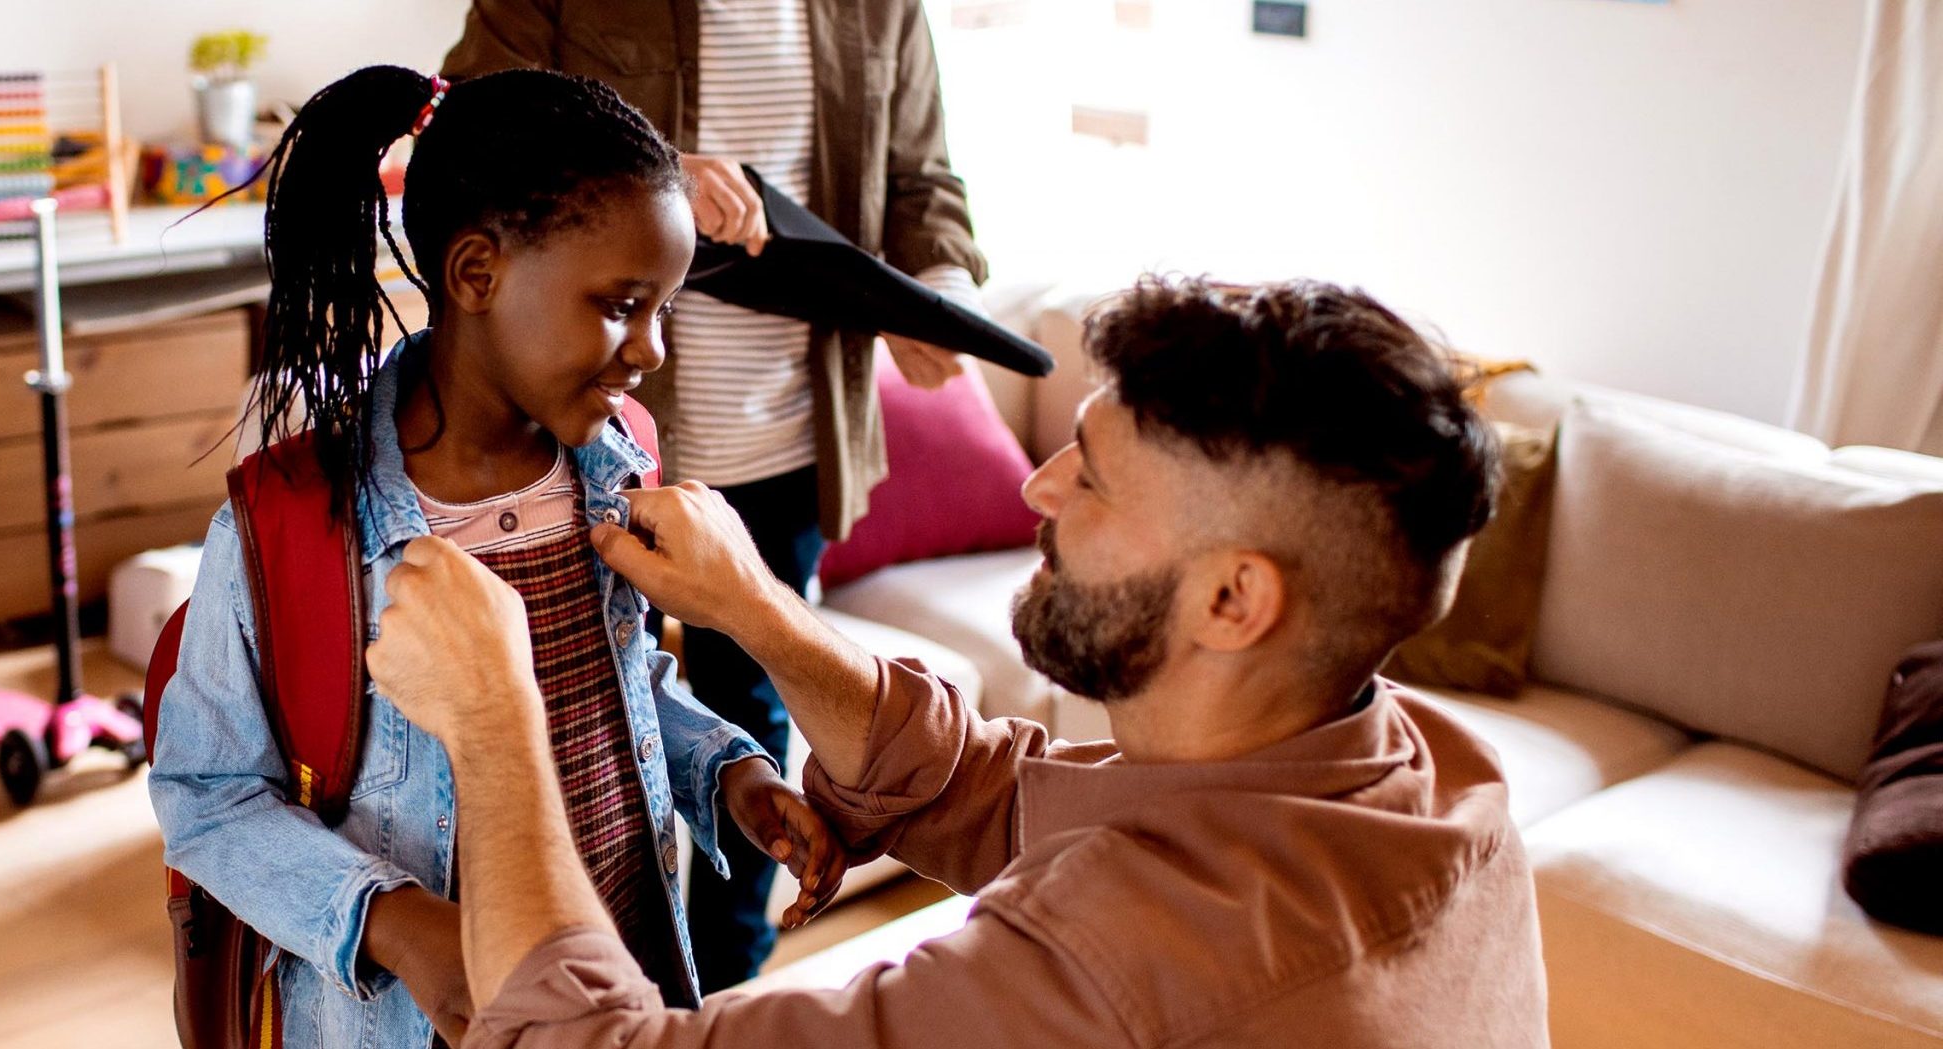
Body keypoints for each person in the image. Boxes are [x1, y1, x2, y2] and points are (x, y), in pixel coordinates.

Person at [366, 276, 1554, 1047]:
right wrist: (758, 612)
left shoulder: (1110, 973)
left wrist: (493, 719)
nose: (1035, 485)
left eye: (1088, 478)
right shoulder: (1441, 775)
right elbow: (995, 791)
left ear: (1232, 598)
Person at [147, 65, 849, 1048]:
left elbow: (618, 681)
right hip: (420, 1016)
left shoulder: (613, 463)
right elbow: (207, 798)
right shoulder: (293, 522)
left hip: (620, 971)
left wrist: (727, 774)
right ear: (476, 274)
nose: (648, 348)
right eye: (619, 304)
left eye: (664, 310)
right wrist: (393, 921)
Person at [441, 0, 989, 990]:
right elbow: (468, 125)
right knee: (558, 705)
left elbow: (921, 180)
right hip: (589, 430)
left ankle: (715, 998)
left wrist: (937, 283)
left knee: (754, 735)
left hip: (791, 444)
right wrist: (649, 173)